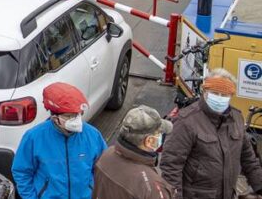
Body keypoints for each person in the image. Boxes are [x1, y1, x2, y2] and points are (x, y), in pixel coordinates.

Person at [160, 68, 262, 199]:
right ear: (205, 91)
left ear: (231, 96)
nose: (219, 98)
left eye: (224, 95)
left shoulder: (237, 118)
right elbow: (171, 166)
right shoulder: (186, 121)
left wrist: (259, 186)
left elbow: (248, 158)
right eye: (214, 93)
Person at [12, 82, 107, 199]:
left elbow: (104, 170)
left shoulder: (93, 135)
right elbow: (21, 172)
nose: (76, 120)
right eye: (69, 116)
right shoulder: (34, 137)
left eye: (78, 114)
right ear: (55, 118)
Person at [92, 105, 174, 199]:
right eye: (159, 133)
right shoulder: (152, 188)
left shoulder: (107, 154)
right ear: (149, 141)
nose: (161, 136)